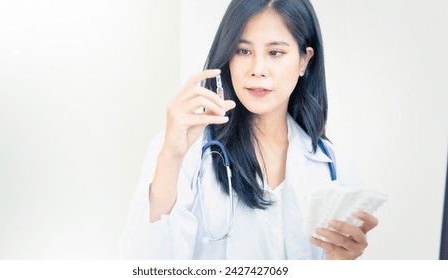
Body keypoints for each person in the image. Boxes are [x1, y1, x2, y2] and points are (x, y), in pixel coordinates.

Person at [121, 0, 379, 260]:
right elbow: (144, 265)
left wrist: (339, 265)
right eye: (243, 51)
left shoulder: (335, 169)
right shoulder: (183, 151)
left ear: (304, 60)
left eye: (275, 53)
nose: (257, 70)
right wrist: (171, 157)